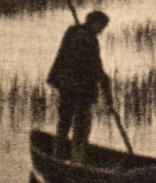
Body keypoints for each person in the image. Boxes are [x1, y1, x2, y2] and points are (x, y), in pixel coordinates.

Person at [45, 10, 112, 160]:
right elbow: (87, 64)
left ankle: (65, 154)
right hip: (76, 87)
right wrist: (103, 80)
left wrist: (103, 81)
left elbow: (94, 64)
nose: (101, 31)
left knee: (69, 122)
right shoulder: (80, 36)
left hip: (71, 86)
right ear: (94, 23)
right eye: (101, 26)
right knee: (77, 123)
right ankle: (72, 156)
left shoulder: (80, 35)